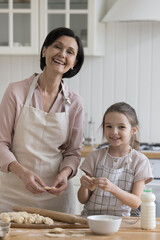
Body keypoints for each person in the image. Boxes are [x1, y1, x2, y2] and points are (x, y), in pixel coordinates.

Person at [0, 27, 84, 214]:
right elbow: (1, 143)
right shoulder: (15, 91)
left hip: (56, 198)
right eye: (57, 47)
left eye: (70, 52)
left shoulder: (75, 102)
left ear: (74, 63)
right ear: (45, 50)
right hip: (12, 196)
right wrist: (22, 173)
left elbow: (73, 152)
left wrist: (65, 173)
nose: (62, 54)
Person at [78, 102, 153, 216]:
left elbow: (136, 203)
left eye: (121, 127)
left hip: (122, 222)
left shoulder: (140, 161)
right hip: (90, 220)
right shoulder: (94, 157)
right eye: (109, 126)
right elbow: (82, 200)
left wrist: (112, 188)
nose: (114, 132)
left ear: (133, 130)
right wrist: (84, 186)